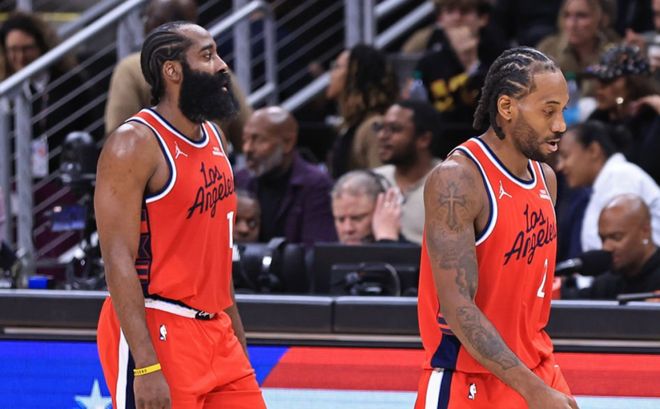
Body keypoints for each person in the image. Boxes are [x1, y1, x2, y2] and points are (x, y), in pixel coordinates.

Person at [94, 22, 266, 408]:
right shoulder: (133, 144)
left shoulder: (216, 137)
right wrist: (145, 364)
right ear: (172, 70)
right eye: (207, 55)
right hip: (159, 324)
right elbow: (117, 258)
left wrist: (237, 340)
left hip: (216, 328)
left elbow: (216, 253)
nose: (222, 65)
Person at [416, 47, 578, 408]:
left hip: (538, 369)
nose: (560, 125)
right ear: (506, 107)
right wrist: (533, 390)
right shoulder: (458, 180)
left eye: (563, 111)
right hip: (468, 382)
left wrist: (539, 383)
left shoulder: (545, 178)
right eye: (548, 111)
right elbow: (458, 308)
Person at [104, 0, 252, 151]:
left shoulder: (131, 68)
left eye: (146, 18)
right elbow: (248, 134)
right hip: (210, 161)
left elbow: (118, 137)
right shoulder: (217, 69)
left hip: (156, 163)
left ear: (156, 23)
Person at [235, 106, 337, 246]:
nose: (247, 148)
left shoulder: (316, 185)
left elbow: (315, 250)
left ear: (288, 143)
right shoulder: (239, 180)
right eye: (245, 140)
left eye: (258, 140)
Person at [556, 120, 660, 252]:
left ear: (593, 150)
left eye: (565, 156)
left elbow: (620, 254)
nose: (560, 166)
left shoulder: (620, 178)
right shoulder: (610, 179)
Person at [585, 44, 660, 183]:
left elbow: (646, 170)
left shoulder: (652, 118)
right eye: (599, 81)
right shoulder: (599, 118)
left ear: (632, 84)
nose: (599, 90)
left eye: (607, 82)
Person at [373, 100, 442, 245]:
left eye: (394, 129)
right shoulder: (373, 180)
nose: (382, 136)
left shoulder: (450, 184)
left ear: (424, 139)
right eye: (380, 127)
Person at [567, 194, 660, 299]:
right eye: (603, 239)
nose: (607, 247)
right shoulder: (606, 283)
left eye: (616, 237)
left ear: (645, 231)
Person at [326, 44, 399, 178]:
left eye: (337, 67)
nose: (331, 75)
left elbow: (382, 182)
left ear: (355, 76)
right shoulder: (350, 125)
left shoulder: (373, 126)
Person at [536, 0, 618, 96]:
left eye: (581, 16)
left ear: (602, 19)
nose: (572, 25)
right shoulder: (547, 49)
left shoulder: (615, 51)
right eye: (567, 15)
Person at [331, 170, 403, 245]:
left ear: (384, 212)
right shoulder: (327, 251)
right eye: (341, 220)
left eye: (357, 218)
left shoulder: (408, 251)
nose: (348, 228)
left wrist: (386, 240)